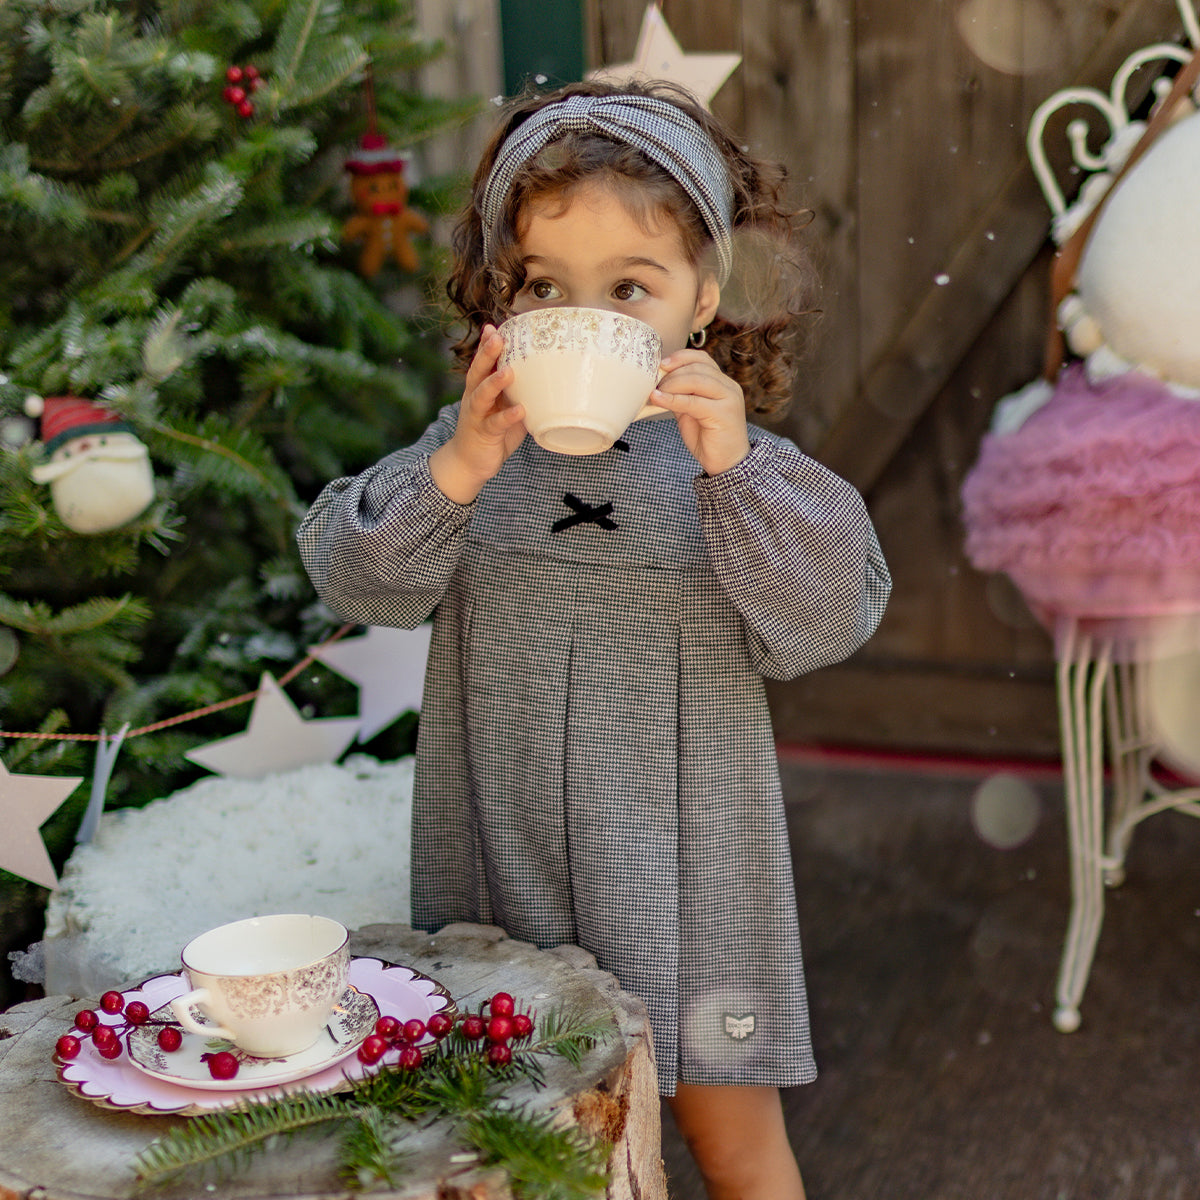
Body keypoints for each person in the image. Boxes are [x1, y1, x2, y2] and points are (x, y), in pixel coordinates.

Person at [298, 77, 891, 1200]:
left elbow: (829, 620)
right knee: (537, 1147)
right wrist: (457, 471)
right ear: (502, 302)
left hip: (694, 886)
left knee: (735, 1145)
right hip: (503, 872)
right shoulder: (470, 452)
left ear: (704, 298)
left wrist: (739, 470)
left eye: (632, 286)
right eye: (545, 287)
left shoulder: (740, 468)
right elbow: (354, 579)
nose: (592, 316)